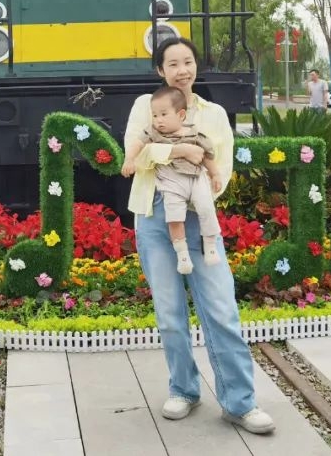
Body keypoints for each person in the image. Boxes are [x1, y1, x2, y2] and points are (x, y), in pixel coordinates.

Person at [120, 36, 275, 435]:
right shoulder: (145, 105)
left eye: (188, 62)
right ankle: (184, 389)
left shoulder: (214, 114)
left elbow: (221, 168)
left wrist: (193, 192)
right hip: (154, 218)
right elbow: (136, 156)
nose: (182, 70)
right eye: (172, 64)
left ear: (196, 66)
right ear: (160, 70)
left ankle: (240, 403)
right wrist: (184, 153)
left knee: (222, 310)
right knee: (170, 314)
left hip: (199, 219)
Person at [122, 85, 223, 274]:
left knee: (206, 209)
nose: (158, 120)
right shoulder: (154, 132)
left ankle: (210, 247)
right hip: (171, 182)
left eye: (163, 114)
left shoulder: (194, 133)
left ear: (181, 115)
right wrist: (130, 159)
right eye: (154, 115)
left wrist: (215, 174)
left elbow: (207, 156)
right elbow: (137, 143)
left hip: (196, 179)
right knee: (174, 218)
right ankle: (182, 256)